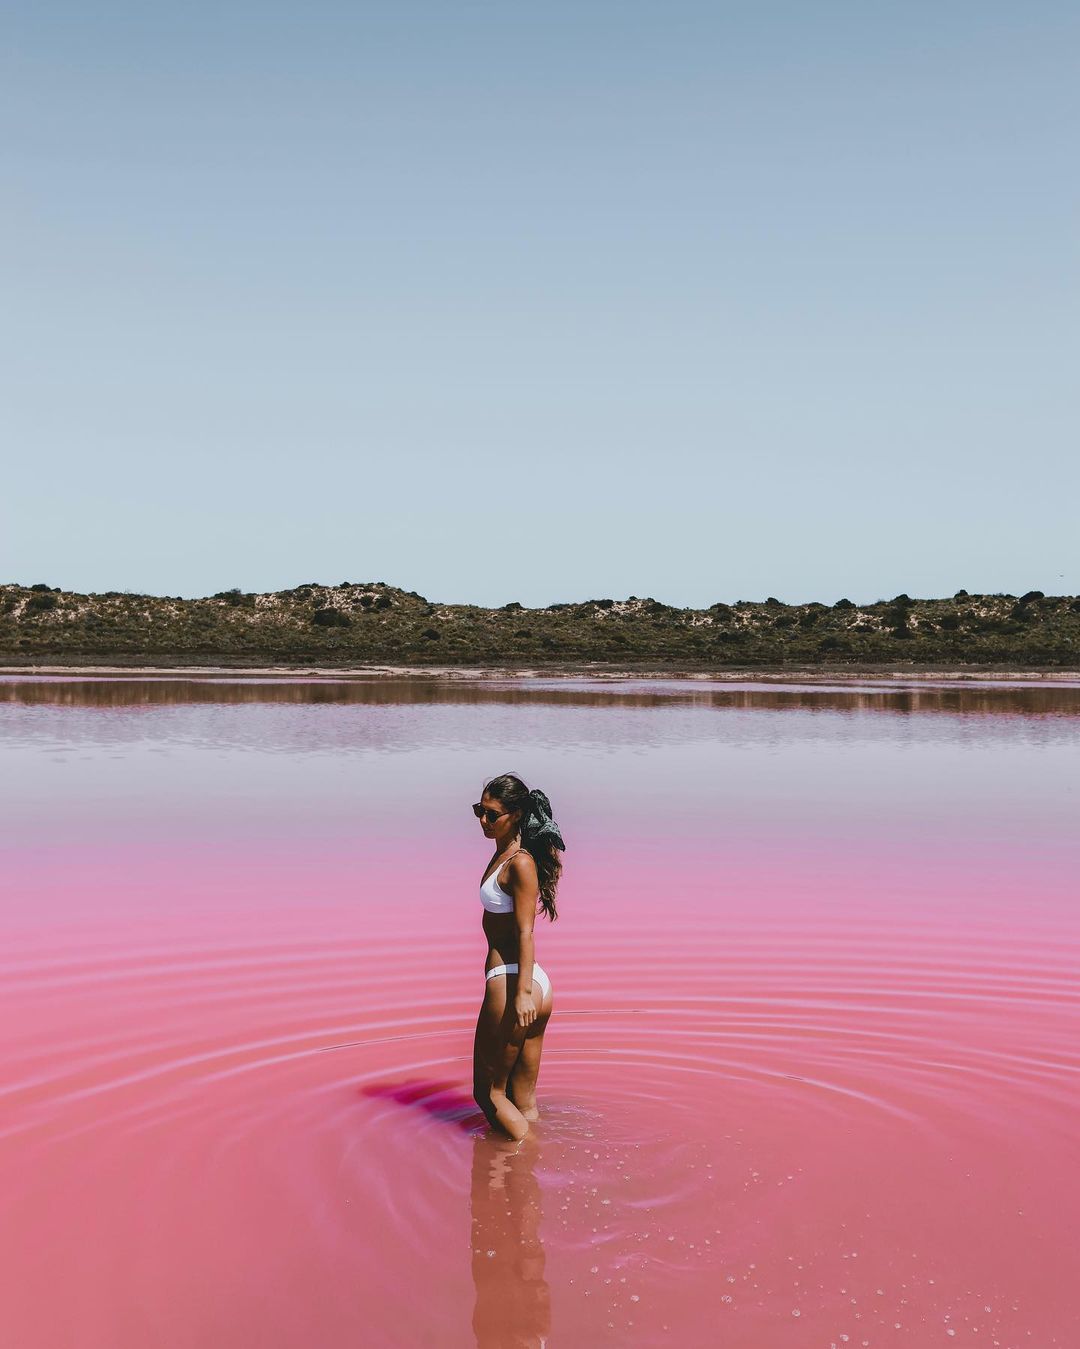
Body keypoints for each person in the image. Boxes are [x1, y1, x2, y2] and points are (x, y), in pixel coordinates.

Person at [471, 773, 565, 1141]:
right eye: (479, 810)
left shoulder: (519, 863)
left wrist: (523, 992)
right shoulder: (506, 854)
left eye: (491, 814)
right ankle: (531, 1183)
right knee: (521, 1099)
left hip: (513, 983)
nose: (483, 820)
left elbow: (526, 931)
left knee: (489, 1094)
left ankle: (527, 1159)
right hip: (528, 982)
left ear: (516, 814)